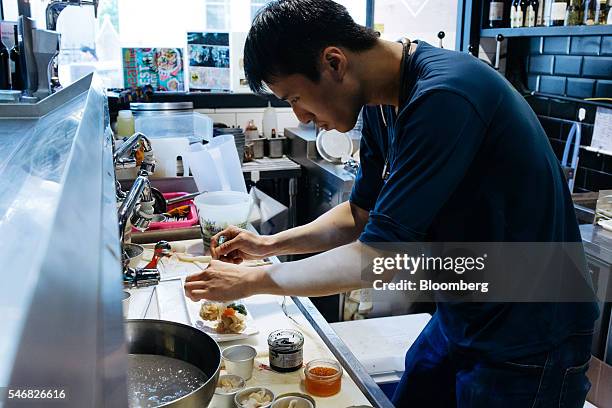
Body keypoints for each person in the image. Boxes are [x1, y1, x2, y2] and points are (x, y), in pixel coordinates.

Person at [184, 1, 599, 406]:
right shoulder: (383, 106)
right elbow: (360, 213)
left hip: (532, 330)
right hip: (471, 305)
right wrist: (270, 248)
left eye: (294, 97)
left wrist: (254, 282)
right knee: (417, 384)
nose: (301, 117)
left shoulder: (445, 95)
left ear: (334, 62)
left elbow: (380, 256)